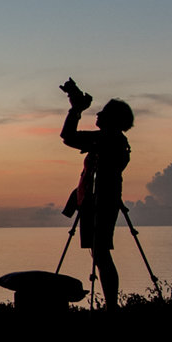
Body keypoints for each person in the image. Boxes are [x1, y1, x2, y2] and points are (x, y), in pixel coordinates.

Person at [58, 80, 133, 307]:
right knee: (100, 254)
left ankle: (111, 306)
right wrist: (76, 107)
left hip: (102, 201)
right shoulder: (111, 140)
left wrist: (76, 109)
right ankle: (111, 305)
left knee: (101, 254)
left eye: (103, 112)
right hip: (96, 200)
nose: (98, 114)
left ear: (112, 119)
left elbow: (68, 136)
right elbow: (69, 137)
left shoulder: (108, 140)